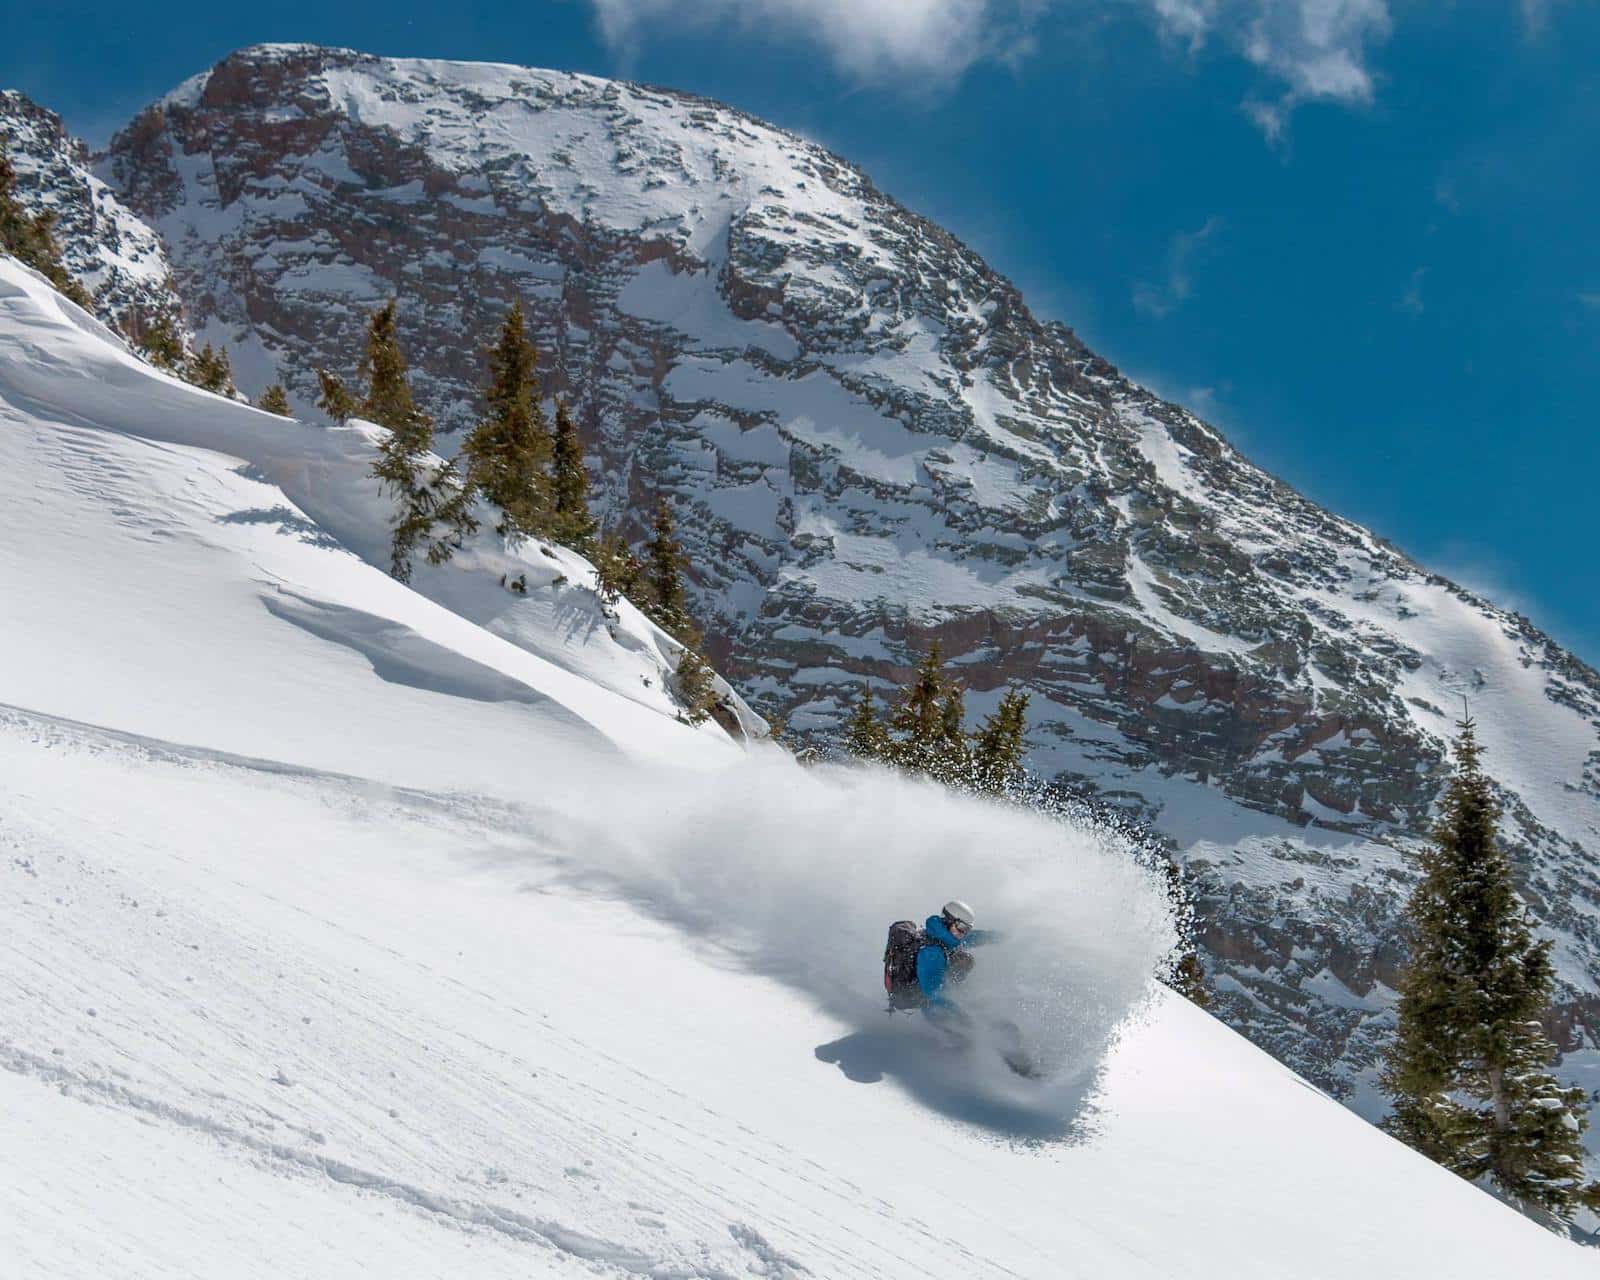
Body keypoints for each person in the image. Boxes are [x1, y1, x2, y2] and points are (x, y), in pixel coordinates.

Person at [916, 899, 995, 1026]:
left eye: (967, 929)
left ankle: (955, 992)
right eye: (962, 928)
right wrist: (965, 1017)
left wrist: (1002, 936)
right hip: (928, 1002)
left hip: (939, 991)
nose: (964, 933)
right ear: (949, 921)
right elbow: (932, 996)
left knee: (965, 959)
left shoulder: (943, 936)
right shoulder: (932, 954)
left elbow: (973, 938)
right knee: (963, 961)